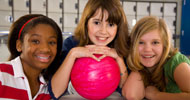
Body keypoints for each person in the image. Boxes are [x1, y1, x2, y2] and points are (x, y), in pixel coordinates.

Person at [48, 0, 130, 99]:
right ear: (86, 23)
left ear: (118, 27)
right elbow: (55, 92)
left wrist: (119, 58)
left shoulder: (122, 47)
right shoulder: (72, 43)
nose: (103, 31)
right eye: (96, 22)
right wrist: (72, 54)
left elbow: (125, 91)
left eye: (111, 24)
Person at [122, 16, 190, 100]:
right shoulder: (140, 65)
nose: (147, 49)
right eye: (141, 42)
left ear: (165, 45)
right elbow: (131, 95)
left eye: (155, 42)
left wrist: (156, 95)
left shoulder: (176, 64)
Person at [0, 14, 63, 99]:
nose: (45, 49)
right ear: (19, 45)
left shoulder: (48, 89)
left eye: (51, 42)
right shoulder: (1, 74)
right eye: (35, 41)